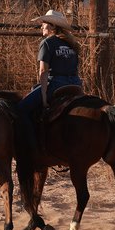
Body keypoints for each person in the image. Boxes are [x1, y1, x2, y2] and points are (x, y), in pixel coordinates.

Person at [18, 9, 82, 153]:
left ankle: (31, 147)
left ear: (52, 27)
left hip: (56, 84)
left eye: (44, 23)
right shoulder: (72, 44)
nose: (41, 26)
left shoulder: (47, 43)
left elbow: (43, 71)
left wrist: (44, 96)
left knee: (21, 109)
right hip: (75, 84)